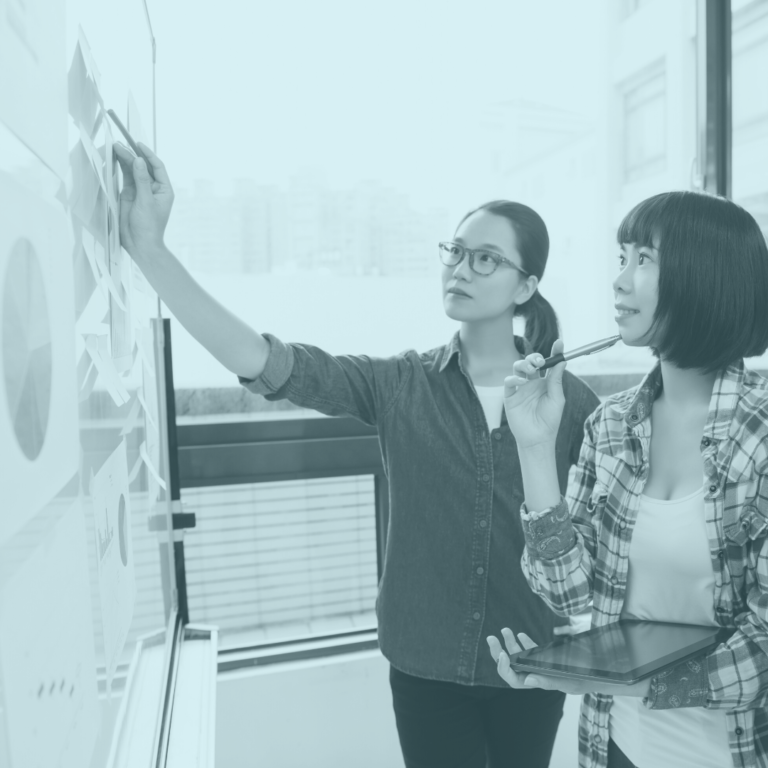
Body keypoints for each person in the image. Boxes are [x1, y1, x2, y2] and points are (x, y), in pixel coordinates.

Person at [114, 141, 600, 768]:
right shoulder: (402, 383)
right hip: (424, 662)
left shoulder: (573, 403)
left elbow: (590, 542)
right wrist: (150, 249)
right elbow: (267, 362)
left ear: (526, 286)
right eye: (455, 252)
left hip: (533, 660)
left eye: (486, 259)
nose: (461, 269)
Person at [486, 190, 768, 768]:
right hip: (615, 746)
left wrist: (605, 680)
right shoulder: (609, 425)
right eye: (621, 258)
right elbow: (568, 591)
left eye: (644, 259)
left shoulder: (760, 435)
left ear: (704, 275)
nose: (619, 280)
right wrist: (534, 449)